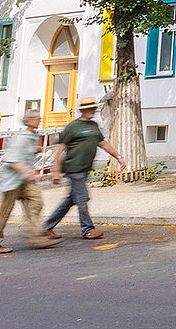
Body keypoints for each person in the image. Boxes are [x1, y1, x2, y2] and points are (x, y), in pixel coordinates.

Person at [41, 96, 123, 241]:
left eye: (94, 108)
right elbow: (59, 149)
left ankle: (46, 227)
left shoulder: (93, 126)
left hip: (84, 169)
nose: (94, 110)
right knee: (82, 199)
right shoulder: (72, 127)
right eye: (91, 108)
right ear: (83, 110)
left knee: (71, 200)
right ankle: (87, 230)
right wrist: (56, 171)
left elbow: (103, 144)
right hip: (74, 169)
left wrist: (118, 157)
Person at [0, 108, 53, 253]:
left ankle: (33, 233)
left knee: (36, 202)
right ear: (28, 121)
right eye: (36, 118)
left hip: (24, 180)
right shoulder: (21, 138)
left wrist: (34, 149)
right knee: (4, 212)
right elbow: (14, 161)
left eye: (39, 118)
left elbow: (24, 152)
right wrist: (32, 175)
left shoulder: (31, 135)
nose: (39, 120)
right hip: (12, 181)